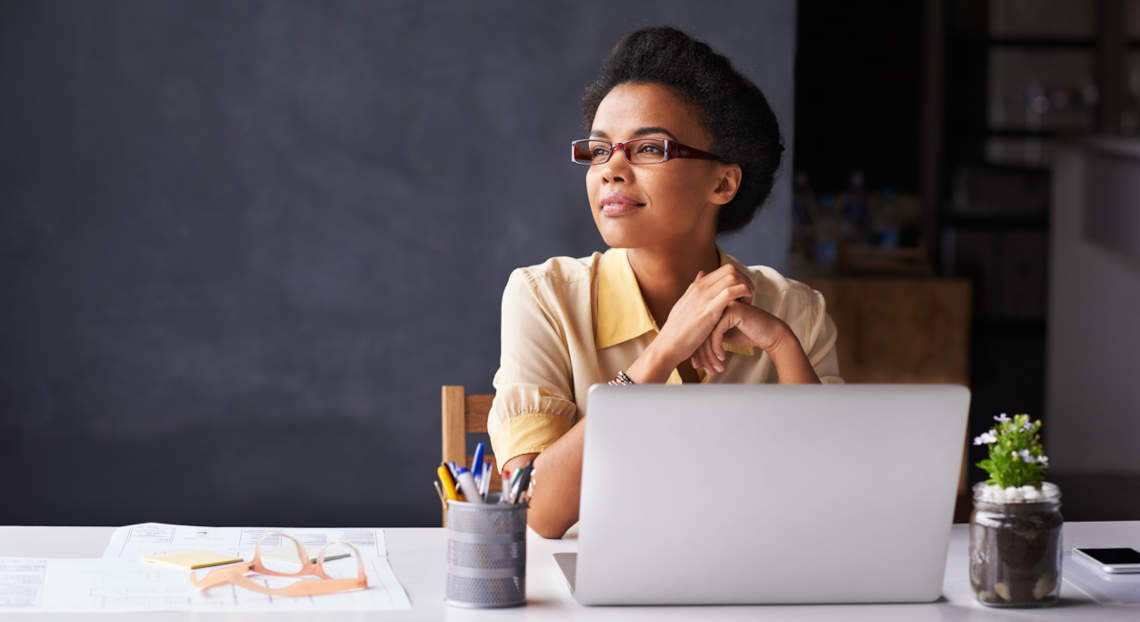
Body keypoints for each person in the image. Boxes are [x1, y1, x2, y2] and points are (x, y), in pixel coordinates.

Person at [487, 26, 843, 539]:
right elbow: (538, 510)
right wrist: (662, 353)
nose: (611, 169)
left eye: (649, 149)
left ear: (722, 182)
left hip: (756, 586)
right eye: (599, 149)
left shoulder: (794, 309)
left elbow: (831, 494)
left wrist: (782, 344)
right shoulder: (544, 296)